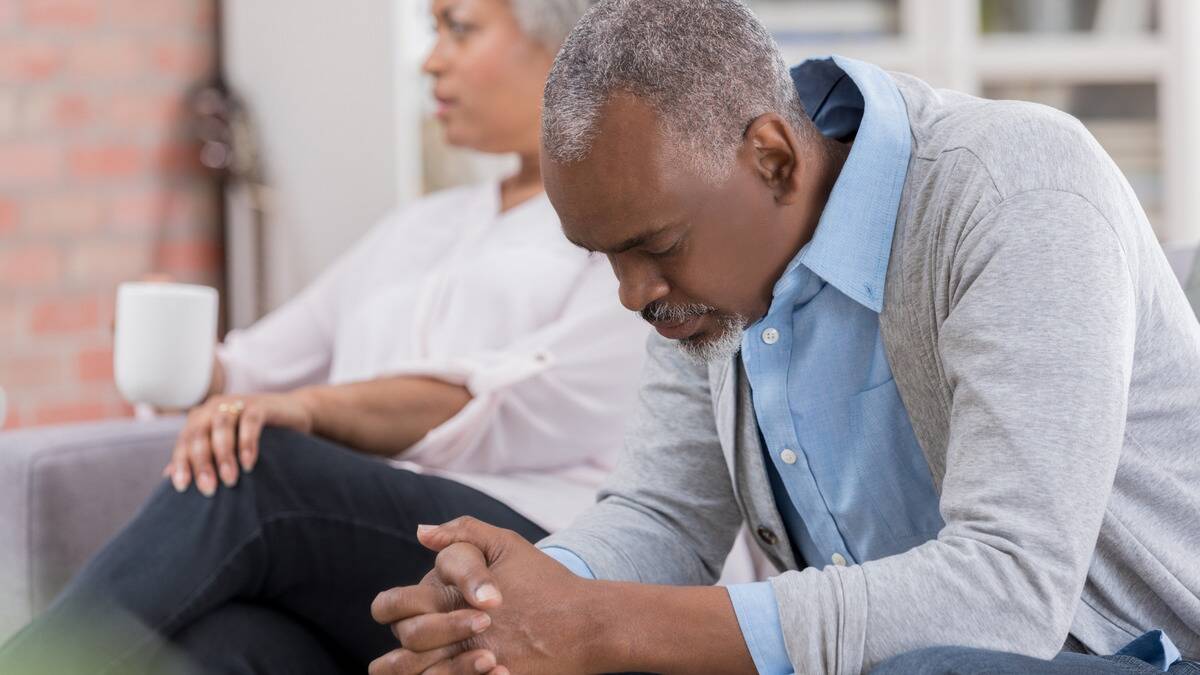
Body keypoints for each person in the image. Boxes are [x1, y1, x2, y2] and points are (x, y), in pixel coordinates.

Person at [369, 0, 1200, 673]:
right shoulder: (702, 277)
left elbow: (1006, 595)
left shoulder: (1015, 190)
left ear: (771, 157)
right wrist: (516, 604)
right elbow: (665, 515)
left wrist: (598, 626)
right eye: (606, 257)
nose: (631, 294)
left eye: (653, 248)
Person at [0, 0, 648, 673]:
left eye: (460, 28)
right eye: (432, 33)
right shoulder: (419, 228)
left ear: (567, 49)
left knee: (257, 471)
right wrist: (173, 350)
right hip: (366, 556)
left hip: (530, 544)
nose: (431, 60)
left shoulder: (619, 228)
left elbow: (494, 402)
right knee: (224, 641)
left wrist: (308, 410)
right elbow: (248, 372)